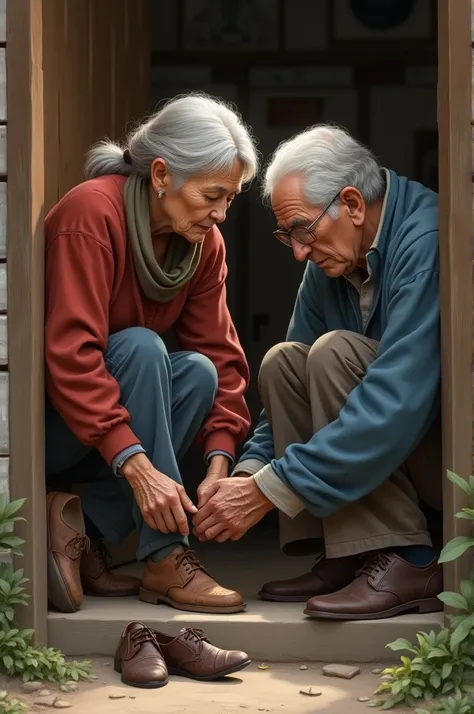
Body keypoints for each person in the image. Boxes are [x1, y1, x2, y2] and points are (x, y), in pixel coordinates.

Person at [192, 124, 443, 621]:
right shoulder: (328, 261)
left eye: (303, 229)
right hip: (389, 452)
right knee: (286, 360)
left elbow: (398, 400)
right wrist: (246, 476)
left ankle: (410, 560)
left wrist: (268, 492)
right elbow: (290, 383)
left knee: (333, 353)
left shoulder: (426, 239)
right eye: (288, 234)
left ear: (351, 204)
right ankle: (348, 551)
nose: (299, 251)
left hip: (442, 459)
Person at [45, 92, 259, 615]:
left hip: (106, 433)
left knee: (198, 373)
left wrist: (219, 461)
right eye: (212, 195)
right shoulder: (90, 213)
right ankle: (165, 556)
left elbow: (223, 358)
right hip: (55, 429)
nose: (221, 213)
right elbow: (70, 353)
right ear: (161, 174)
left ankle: (83, 528)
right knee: (142, 347)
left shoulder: (204, 245)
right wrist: (137, 465)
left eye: (230, 198)